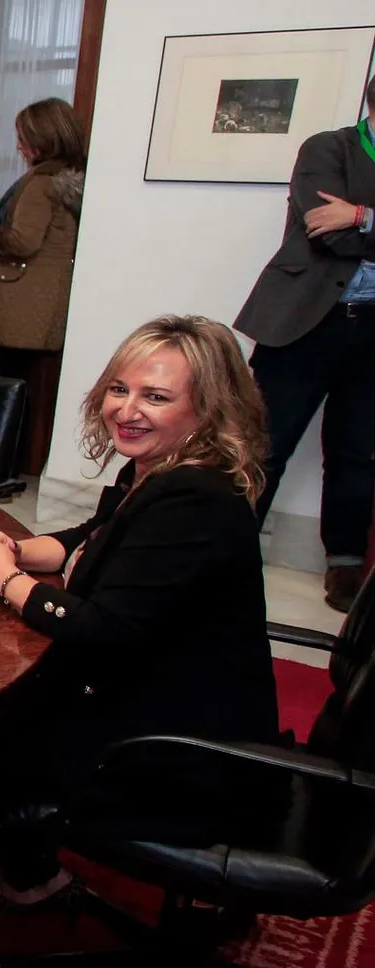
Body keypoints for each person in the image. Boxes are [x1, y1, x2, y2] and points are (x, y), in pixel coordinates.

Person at [0, 315, 280, 905]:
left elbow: (102, 630)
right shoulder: (161, 470)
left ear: (207, 409)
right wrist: (21, 549)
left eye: (156, 397)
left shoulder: (195, 499)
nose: (127, 410)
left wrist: (7, 581)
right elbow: (94, 533)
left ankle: (37, 881)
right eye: (120, 389)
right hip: (160, 699)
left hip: (180, 750)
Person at [235, 75, 375, 611]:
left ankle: (344, 563)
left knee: (356, 452)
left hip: (373, 330)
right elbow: (328, 232)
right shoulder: (327, 147)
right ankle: (230, 548)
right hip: (307, 321)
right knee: (264, 441)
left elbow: (350, 225)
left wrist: (361, 213)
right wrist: (349, 223)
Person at [0, 97, 87, 478]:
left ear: (41, 140)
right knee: (30, 395)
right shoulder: (72, 177)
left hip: (12, 309)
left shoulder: (41, 182)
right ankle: (17, 466)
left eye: (23, 137)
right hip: (41, 309)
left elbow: (23, 242)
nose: (18, 145)